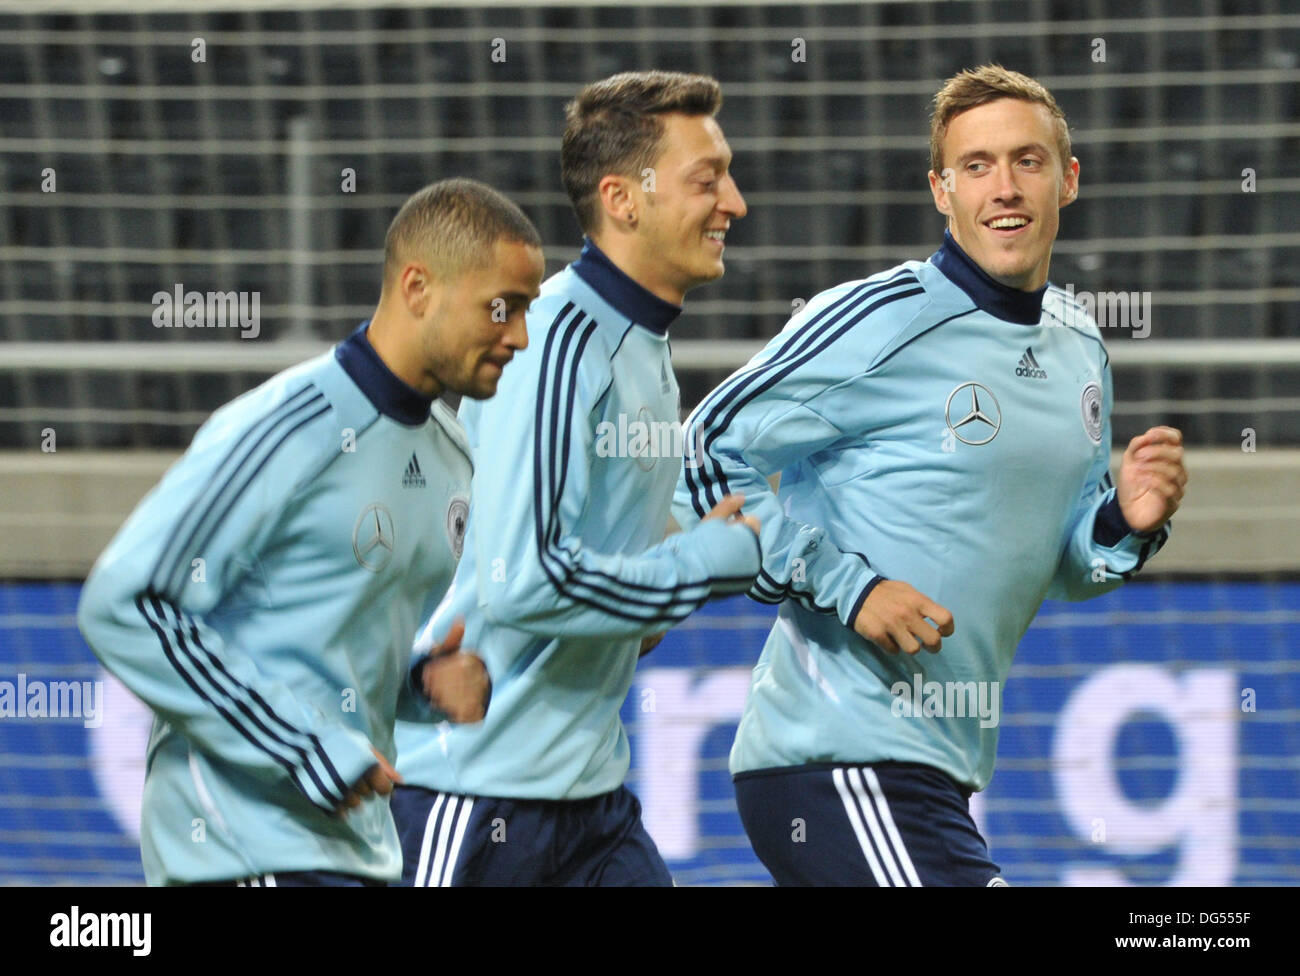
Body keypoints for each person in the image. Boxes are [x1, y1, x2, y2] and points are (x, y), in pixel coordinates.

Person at [674, 64, 1188, 886]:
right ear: (941, 192)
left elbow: (1061, 565)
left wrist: (1125, 522)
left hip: (937, 770)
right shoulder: (881, 319)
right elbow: (699, 455)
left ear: (1070, 180)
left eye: (1028, 161)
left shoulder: (1080, 345)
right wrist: (850, 587)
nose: (1005, 188)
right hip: (835, 759)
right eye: (976, 166)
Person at [77, 178, 544, 886]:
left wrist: (419, 684)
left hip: (354, 850)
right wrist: (302, 745)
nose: (520, 336)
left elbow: (317, 649)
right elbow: (124, 602)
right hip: (243, 850)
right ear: (418, 287)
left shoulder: (452, 455)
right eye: (501, 308)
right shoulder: (289, 426)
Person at [391, 71, 761, 887]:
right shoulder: (555, 343)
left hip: (588, 799)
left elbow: (602, 568)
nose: (734, 202)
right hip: (479, 796)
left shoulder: (642, 345)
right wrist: (697, 565)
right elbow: (523, 583)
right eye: (709, 180)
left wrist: (672, 576)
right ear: (623, 200)